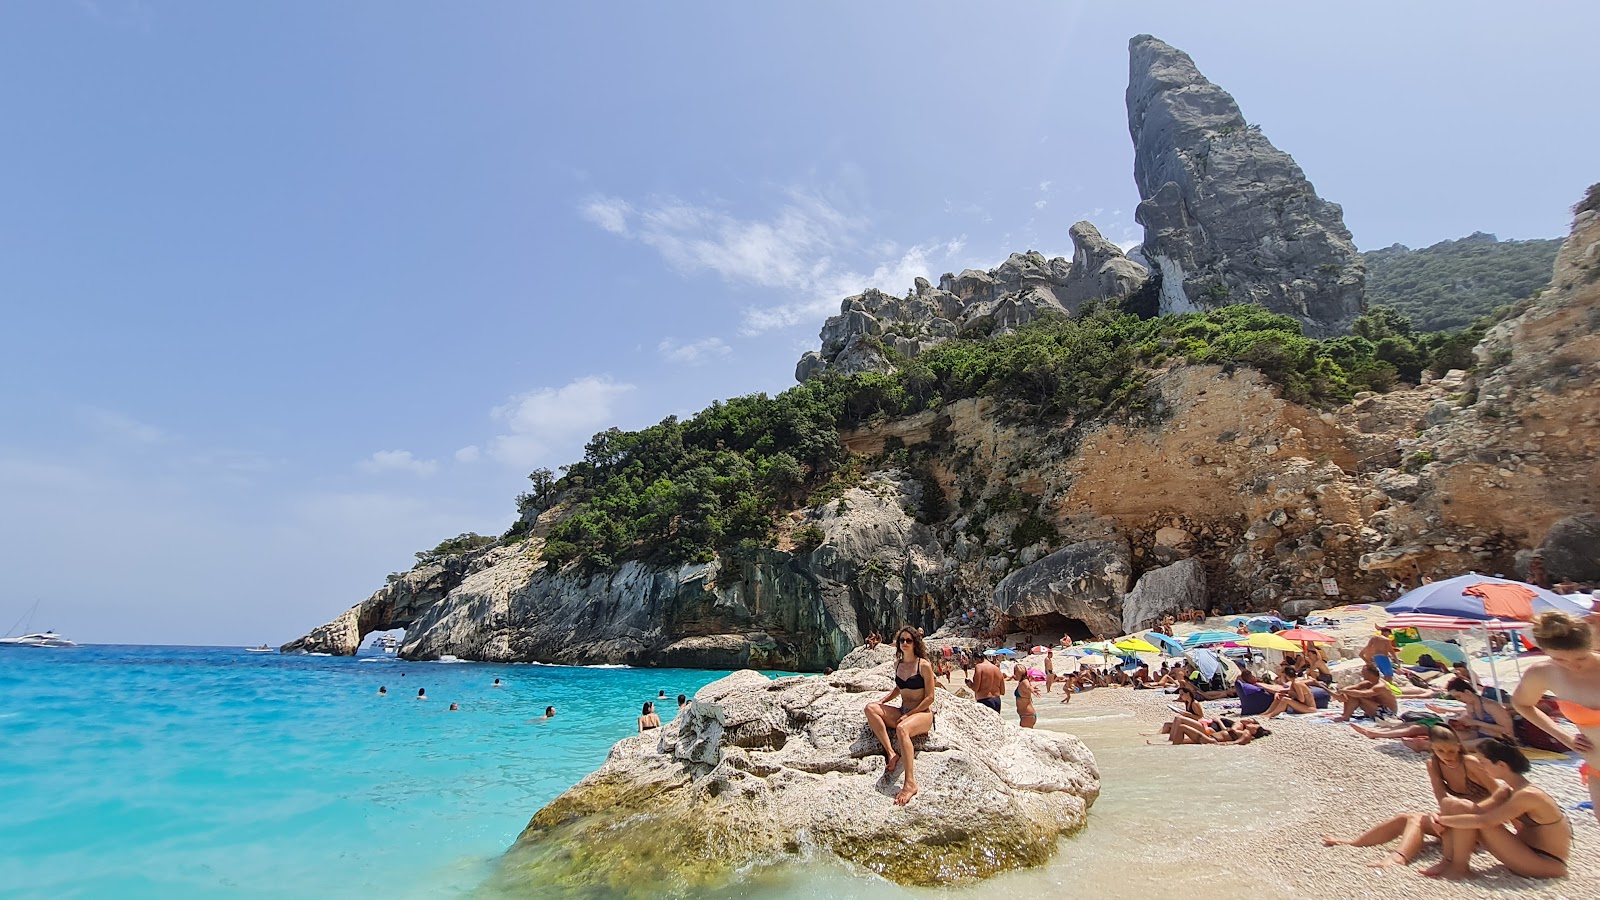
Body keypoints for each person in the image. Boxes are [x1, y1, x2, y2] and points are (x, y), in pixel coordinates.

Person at [1322, 726, 1499, 868]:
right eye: (1441, 751)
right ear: (1432, 748)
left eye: (1452, 751)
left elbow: (1499, 794)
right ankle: (1356, 843)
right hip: (1455, 816)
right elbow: (1441, 796)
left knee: (1416, 818)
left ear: (1459, 747)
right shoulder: (1434, 764)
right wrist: (1443, 816)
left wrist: (1461, 815)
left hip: (1480, 819)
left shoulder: (1469, 763)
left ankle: (1399, 857)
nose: (1448, 756)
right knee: (1406, 818)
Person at [1428, 739, 1570, 879]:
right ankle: (1447, 861)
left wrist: (1443, 821)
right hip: (1525, 851)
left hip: (1544, 862)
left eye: (1483, 763)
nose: (1481, 767)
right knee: (1451, 803)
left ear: (1501, 765)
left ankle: (1459, 868)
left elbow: (1485, 821)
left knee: (1470, 817)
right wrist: (1439, 815)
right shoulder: (1508, 790)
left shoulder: (1529, 795)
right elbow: (1472, 809)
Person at [1512, 610, 1600, 823]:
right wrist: (1564, 737)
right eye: (1559, 658)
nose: (1572, 665)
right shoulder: (1544, 672)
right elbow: (1522, 704)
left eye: (1580, 657)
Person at [864, 626, 938, 805]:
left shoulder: (923, 665)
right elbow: (899, 687)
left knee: (902, 728)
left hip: (922, 714)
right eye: (902, 640)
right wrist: (883, 701)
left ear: (915, 643)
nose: (904, 643)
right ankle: (891, 753)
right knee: (870, 708)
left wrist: (910, 714)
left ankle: (910, 783)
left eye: (908, 641)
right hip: (903, 710)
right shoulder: (898, 664)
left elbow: (930, 698)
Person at [1014, 663, 1037, 728]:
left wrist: (1032, 689)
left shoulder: (1024, 682)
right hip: (1026, 715)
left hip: (1027, 715)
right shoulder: (1022, 682)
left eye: (1015, 672)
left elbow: (1028, 686)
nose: (1014, 674)